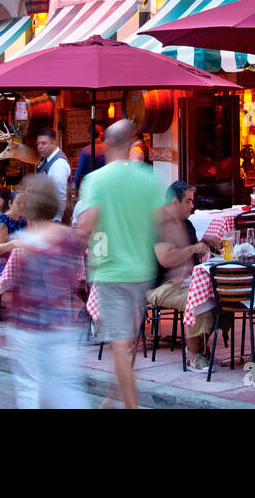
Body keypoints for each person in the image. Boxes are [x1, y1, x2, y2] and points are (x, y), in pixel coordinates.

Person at [74, 120, 165, 410]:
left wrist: (68, 248)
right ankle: (112, 399)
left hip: (113, 271)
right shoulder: (146, 178)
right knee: (126, 345)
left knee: (119, 347)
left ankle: (130, 406)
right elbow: (162, 220)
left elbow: (87, 224)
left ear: (107, 145)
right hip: (142, 271)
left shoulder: (97, 180)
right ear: (132, 144)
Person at [2, 174, 89, 408]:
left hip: (28, 326)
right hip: (62, 324)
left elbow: (13, 288)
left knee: (31, 387)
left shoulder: (23, 242)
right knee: (65, 386)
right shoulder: (69, 238)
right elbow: (77, 279)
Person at [148, 181, 219, 370]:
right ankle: (194, 355)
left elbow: (191, 252)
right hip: (159, 286)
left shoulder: (186, 224)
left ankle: (202, 349)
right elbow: (166, 258)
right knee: (196, 299)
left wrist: (205, 242)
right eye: (188, 201)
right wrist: (194, 248)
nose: (192, 205)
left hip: (186, 281)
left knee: (220, 294)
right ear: (173, 202)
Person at [34, 129, 72, 222]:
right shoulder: (46, 159)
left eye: (43, 143)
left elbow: (60, 194)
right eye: (38, 144)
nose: (39, 147)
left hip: (54, 220)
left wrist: (57, 219)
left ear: (53, 143)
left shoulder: (59, 164)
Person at [0, 189, 27, 282]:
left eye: (25, 203)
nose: (22, 206)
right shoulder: (2, 222)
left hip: (19, 260)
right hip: (1, 263)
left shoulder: (23, 220)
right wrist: (13, 244)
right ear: (10, 203)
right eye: (18, 203)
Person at [74, 122, 107, 194]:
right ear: (101, 134)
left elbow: (79, 172)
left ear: (89, 135)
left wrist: (76, 187)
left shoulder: (85, 151)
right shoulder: (108, 149)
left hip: (90, 187)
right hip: (106, 186)